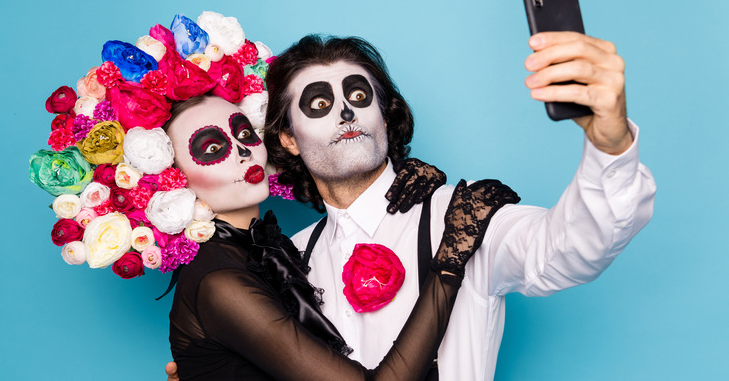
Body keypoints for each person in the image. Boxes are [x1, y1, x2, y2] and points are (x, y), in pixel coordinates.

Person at [167, 31, 656, 380]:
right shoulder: (286, 258)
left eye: (360, 96)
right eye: (318, 104)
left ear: (386, 115)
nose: (345, 111)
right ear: (288, 139)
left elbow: (570, 250)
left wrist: (610, 146)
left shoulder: (463, 217)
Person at [164, 94, 519, 380]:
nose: (243, 151)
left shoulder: (271, 251)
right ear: (173, 181)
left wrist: (400, 178)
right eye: (212, 149)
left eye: (244, 134)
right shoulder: (219, 281)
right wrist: (450, 260)